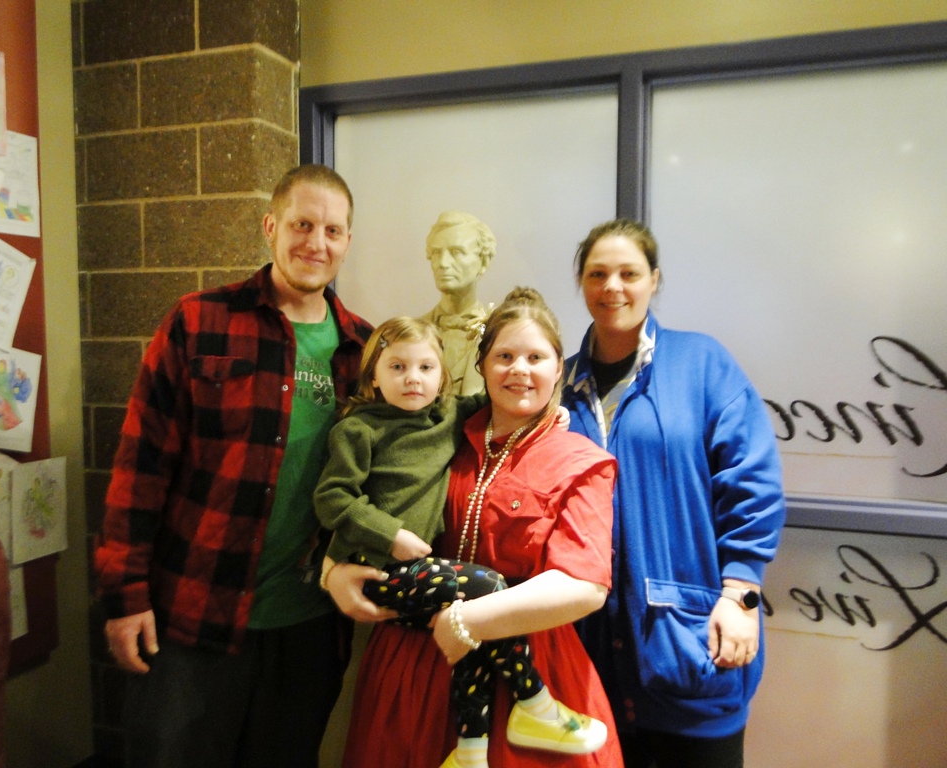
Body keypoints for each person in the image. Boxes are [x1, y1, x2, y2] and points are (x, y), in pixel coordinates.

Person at [94, 164, 372, 768]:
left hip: (308, 626)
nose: (316, 243)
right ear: (271, 226)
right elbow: (139, 468)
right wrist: (124, 594)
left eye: (332, 230)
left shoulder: (365, 351)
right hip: (192, 615)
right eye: (302, 224)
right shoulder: (198, 321)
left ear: (348, 241)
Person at [327, 288, 625, 768]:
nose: (520, 369)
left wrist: (470, 620)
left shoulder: (582, 462)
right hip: (412, 665)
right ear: (482, 365)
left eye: (536, 357)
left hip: (524, 660)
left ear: (559, 368)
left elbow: (585, 586)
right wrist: (332, 570)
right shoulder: (441, 434)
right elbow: (365, 499)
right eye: (504, 356)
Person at [561, 218, 786, 768]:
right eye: (597, 274)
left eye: (629, 273)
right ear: (582, 283)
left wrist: (741, 594)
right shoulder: (558, 384)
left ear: (654, 280)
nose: (613, 287)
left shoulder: (701, 363)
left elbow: (752, 482)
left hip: (687, 646)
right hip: (587, 661)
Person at [421, 211, 497, 396]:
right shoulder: (412, 333)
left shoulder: (497, 334)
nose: (443, 263)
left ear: (483, 262)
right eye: (436, 253)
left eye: (456, 252)